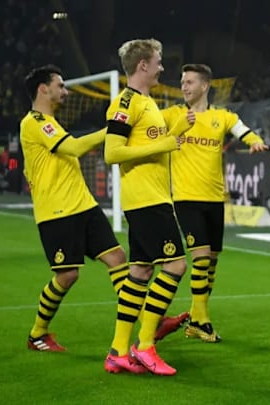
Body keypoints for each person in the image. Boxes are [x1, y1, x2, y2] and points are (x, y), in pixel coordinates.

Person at [21, 65, 128, 353]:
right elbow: (75, 148)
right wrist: (113, 130)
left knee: (117, 257)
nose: (65, 91)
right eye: (60, 85)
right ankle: (37, 333)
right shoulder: (34, 122)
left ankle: (147, 322)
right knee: (67, 275)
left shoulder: (50, 123)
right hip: (58, 212)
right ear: (43, 88)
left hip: (84, 205)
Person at [103, 38, 195, 376]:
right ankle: (145, 345)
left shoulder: (146, 102)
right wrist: (166, 143)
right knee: (176, 265)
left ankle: (118, 351)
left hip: (150, 197)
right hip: (146, 200)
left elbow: (154, 144)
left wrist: (177, 130)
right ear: (143, 64)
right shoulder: (126, 102)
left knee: (140, 272)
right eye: (158, 62)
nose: (161, 68)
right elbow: (112, 153)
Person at [161, 63, 268, 343]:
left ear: (205, 86)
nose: (183, 86)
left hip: (215, 199)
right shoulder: (172, 115)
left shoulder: (222, 116)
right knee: (201, 258)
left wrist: (255, 141)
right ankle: (202, 320)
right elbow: (147, 125)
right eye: (182, 81)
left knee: (211, 263)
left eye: (189, 82)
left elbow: (243, 130)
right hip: (186, 198)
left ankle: (196, 319)